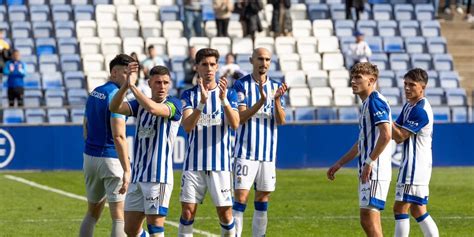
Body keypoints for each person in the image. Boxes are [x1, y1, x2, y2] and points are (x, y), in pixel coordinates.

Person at [110, 64, 183, 237]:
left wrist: (133, 87)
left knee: (155, 227)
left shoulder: (175, 104)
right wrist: (125, 87)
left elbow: (153, 109)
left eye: (166, 82)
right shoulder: (138, 105)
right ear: (149, 83)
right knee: (130, 229)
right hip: (138, 176)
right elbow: (114, 107)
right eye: (158, 82)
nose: (162, 86)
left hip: (159, 177)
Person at [178, 48, 240, 237]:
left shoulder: (229, 94)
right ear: (197, 67)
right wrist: (202, 104)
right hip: (193, 165)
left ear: (218, 67)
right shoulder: (188, 95)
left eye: (212, 64)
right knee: (187, 212)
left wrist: (223, 101)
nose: (209, 68)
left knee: (225, 214)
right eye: (204, 64)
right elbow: (187, 126)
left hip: (220, 165)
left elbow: (235, 124)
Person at [327, 62, 392, 237]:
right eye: (352, 78)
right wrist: (340, 163)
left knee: (368, 220)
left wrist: (370, 162)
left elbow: (386, 135)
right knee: (369, 219)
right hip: (369, 169)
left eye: (358, 78)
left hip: (374, 170)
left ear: (371, 80)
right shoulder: (366, 104)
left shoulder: (375, 102)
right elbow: (362, 141)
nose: (353, 82)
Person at [232, 48, 288, 237]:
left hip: (267, 154)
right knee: (240, 198)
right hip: (245, 152)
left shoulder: (277, 87)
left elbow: (281, 120)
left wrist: (277, 101)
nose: (263, 63)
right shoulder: (240, 85)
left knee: (263, 199)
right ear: (252, 60)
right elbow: (240, 116)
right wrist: (261, 102)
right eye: (260, 59)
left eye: (267, 60)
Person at [80, 54, 133, 237]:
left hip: (90, 156)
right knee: (119, 217)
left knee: (92, 213)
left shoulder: (95, 92)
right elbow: (119, 135)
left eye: (131, 74)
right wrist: (127, 169)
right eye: (125, 73)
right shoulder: (116, 97)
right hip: (110, 158)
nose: (129, 78)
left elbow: (85, 126)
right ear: (114, 73)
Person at [391, 68, 439, 237]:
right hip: (417, 165)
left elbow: (399, 136)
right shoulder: (410, 106)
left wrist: (383, 116)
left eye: (412, 84)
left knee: (400, 208)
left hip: (414, 166)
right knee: (418, 210)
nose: (407, 88)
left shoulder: (420, 110)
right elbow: (393, 130)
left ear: (422, 87)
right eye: (405, 84)